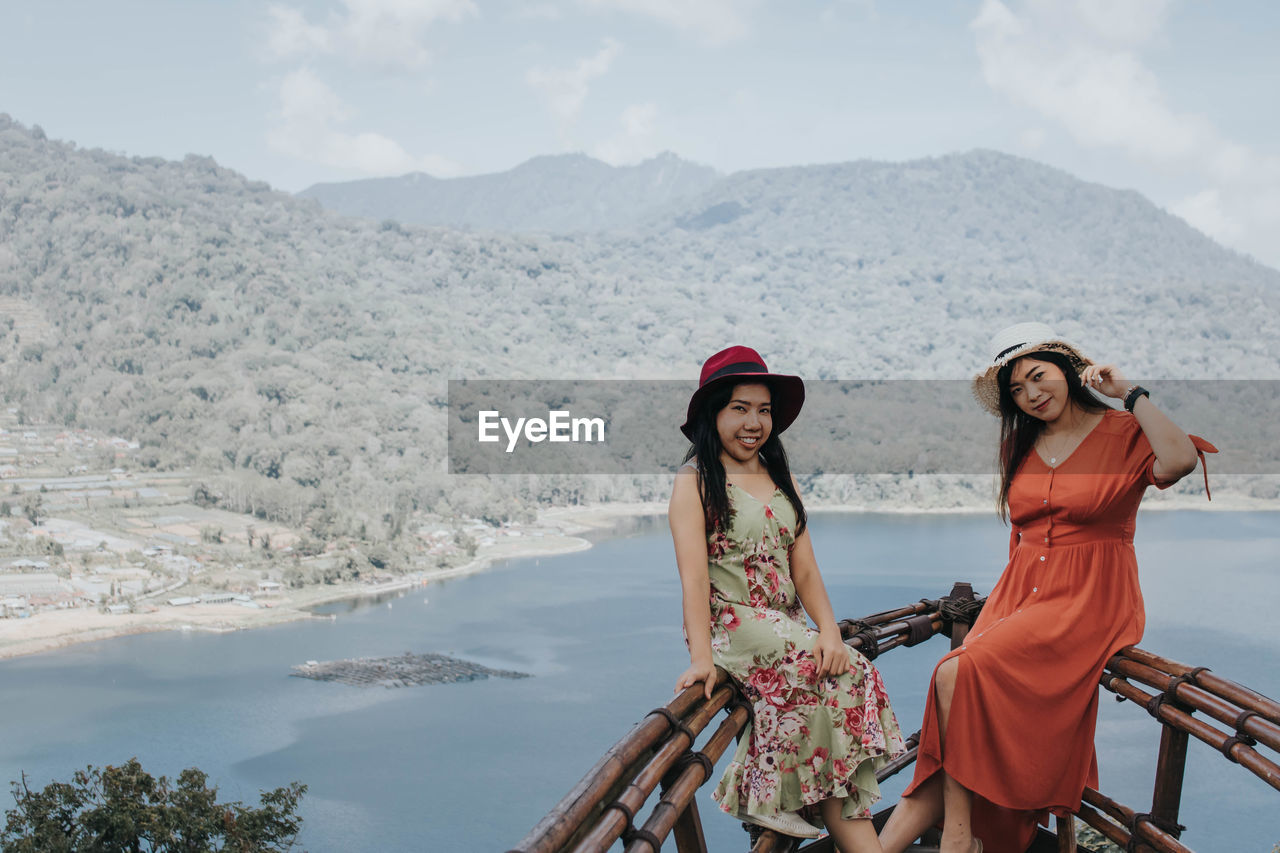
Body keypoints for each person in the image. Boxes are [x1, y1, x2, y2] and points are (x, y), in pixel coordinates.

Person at [878, 323, 1216, 853]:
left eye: (1038, 377)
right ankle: (926, 843)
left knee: (954, 671)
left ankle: (958, 840)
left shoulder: (1123, 431)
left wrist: (1129, 392)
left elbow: (1178, 460)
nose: (1031, 395)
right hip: (1020, 595)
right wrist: (1008, 610)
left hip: (1088, 597)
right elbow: (1023, 534)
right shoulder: (1021, 443)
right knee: (957, 685)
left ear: (1068, 371)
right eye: (1017, 389)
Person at [670, 345, 905, 851]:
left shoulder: (780, 478)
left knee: (852, 668)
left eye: (764, 410)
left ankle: (804, 796)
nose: (754, 422)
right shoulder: (695, 482)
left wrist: (829, 631)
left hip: (785, 619)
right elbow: (692, 578)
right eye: (740, 408)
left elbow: (805, 568)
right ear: (714, 414)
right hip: (734, 621)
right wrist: (701, 660)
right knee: (811, 670)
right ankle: (769, 796)